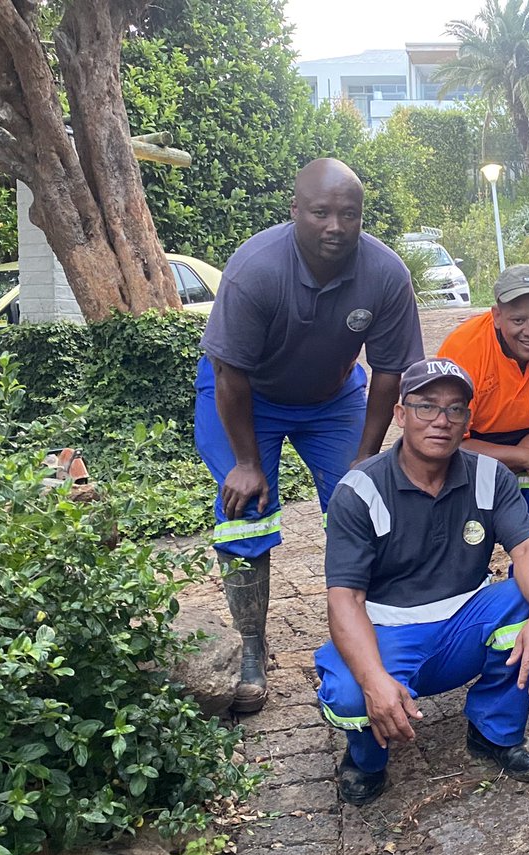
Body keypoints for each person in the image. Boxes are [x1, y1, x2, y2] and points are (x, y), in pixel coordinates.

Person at [195, 158, 424, 714]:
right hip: (246, 396)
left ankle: (373, 632)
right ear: (295, 211)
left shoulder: (385, 273)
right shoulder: (256, 269)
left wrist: (366, 460)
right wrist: (247, 462)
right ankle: (252, 646)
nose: (335, 226)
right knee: (247, 505)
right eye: (321, 212)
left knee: (365, 502)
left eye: (349, 214)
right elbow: (230, 374)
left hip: (333, 397)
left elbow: (391, 372)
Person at [313, 358, 529, 805]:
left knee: (526, 602)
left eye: (455, 410)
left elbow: (528, 548)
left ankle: (495, 731)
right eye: (426, 406)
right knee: (352, 695)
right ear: (400, 414)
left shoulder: (489, 476)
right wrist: (373, 678)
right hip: (385, 631)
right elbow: (344, 598)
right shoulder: (359, 490)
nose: (441, 421)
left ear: (467, 419)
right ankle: (366, 759)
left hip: (465, 618)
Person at [437, 264, 529, 561]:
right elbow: (450, 443)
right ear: (496, 316)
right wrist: (525, 459)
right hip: (464, 444)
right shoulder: (462, 348)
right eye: (518, 320)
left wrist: (526, 460)